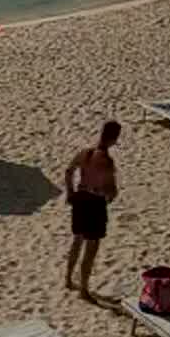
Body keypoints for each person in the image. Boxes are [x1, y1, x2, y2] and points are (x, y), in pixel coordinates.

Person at [63, 121, 121, 301]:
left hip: (80, 199)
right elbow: (111, 190)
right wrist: (110, 195)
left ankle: (68, 278)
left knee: (77, 240)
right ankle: (84, 289)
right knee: (91, 248)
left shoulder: (85, 153)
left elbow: (69, 171)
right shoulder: (107, 162)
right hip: (95, 204)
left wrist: (70, 192)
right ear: (114, 139)